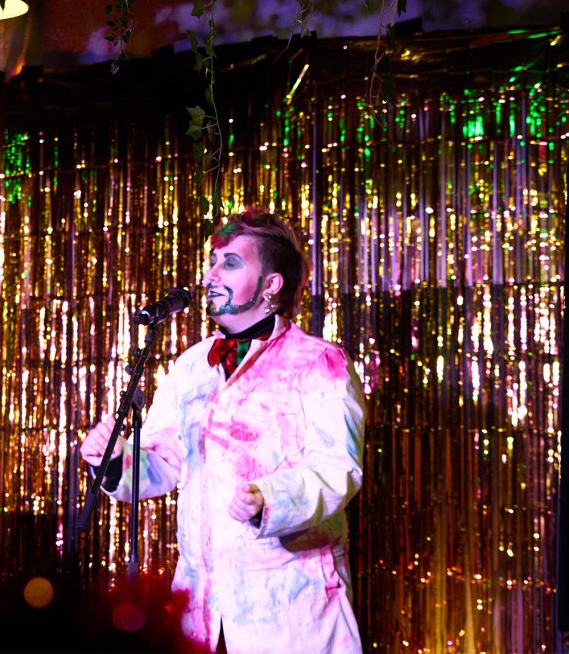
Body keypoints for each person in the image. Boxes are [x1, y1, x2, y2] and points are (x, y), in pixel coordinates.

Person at [81, 208, 366, 653]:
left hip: (289, 613)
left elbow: (337, 471)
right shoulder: (193, 365)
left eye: (230, 262)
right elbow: (164, 460)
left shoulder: (317, 362)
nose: (211, 274)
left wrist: (267, 499)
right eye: (212, 262)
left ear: (272, 284)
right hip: (202, 613)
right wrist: (119, 460)